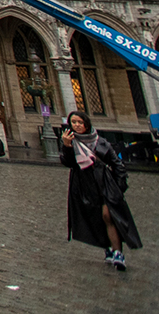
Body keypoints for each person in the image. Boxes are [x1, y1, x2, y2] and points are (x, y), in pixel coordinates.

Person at [60, 109, 141, 270]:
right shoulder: (71, 142)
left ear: (86, 124)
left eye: (79, 122)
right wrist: (66, 146)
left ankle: (118, 253)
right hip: (84, 186)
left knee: (108, 216)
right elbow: (68, 163)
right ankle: (108, 248)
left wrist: (119, 187)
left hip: (104, 184)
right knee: (96, 218)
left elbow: (116, 164)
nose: (76, 125)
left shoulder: (100, 141)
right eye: (73, 122)